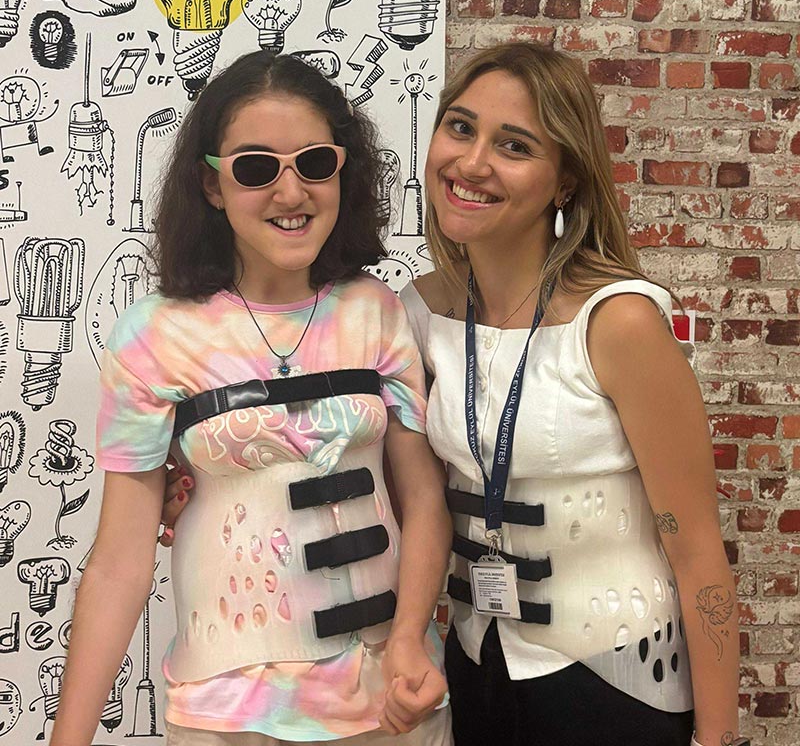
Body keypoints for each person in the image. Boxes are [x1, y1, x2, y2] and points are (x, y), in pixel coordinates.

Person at [162, 43, 744, 746]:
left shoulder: (618, 322)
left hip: (619, 684)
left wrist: (719, 741)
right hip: (476, 674)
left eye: (515, 145)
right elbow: (371, 464)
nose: (472, 163)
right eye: (461, 127)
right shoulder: (417, 313)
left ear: (565, 180)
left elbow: (699, 551)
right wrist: (197, 471)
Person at [50, 51, 452, 746]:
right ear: (212, 185)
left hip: (390, 706)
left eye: (314, 164)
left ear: (341, 171)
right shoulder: (154, 335)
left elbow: (423, 502)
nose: (290, 192)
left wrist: (412, 639)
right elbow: (120, 559)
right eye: (256, 167)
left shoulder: (377, 312)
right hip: (225, 718)